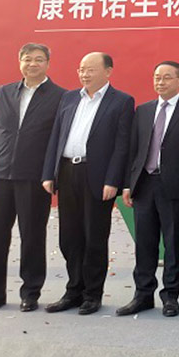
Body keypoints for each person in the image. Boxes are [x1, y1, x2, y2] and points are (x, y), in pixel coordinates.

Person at [0, 43, 65, 312]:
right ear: (19, 62)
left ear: (47, 63)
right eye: (27, 59)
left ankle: (30, 293)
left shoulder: (60, 96)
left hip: (34, 178)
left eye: (38, 59)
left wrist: (52, 175)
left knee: (32, 236)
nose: (32, 64)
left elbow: (58, 141)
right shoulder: (4, 92)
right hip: (0, 176)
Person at [40, 52, 134, 315]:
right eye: (81, 69)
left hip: (98, 176)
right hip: (67, 171)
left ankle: (92, 294)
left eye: (91, 69)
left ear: (108, 71)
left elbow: (122, 145)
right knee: (69, 237)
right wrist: (49, 173)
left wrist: (113, 179)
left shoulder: (121, 101)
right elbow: (56, 136)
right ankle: (73, 291)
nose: (84, 74)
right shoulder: (69, 98)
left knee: (94, 237)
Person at [118, 61, 179, 317]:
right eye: (157, 77)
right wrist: (128, 183)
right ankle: (142, 295)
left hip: (176, 187)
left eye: (167, 77)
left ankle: (170, 296)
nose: (160, 82)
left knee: (173, 244)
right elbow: (133, 150)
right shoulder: (143, 110)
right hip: (144, 184)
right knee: (144, 244)